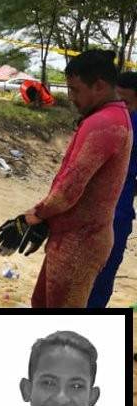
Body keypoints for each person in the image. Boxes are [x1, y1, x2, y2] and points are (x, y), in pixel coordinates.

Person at [23, 51, 132, 308]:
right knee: (41, 304)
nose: (71, 98)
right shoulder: (108, 118)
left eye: (75, 90)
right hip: (73, 235)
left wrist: (37, 213)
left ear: (100, 86)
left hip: (80, 241)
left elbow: (69, 189)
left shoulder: (104, 124)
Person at [88, 71, 137, 307]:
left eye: (126, 102)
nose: (121, 108)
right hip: (88, 216)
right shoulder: (103, 122)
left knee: (101, 281)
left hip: (116, 217)